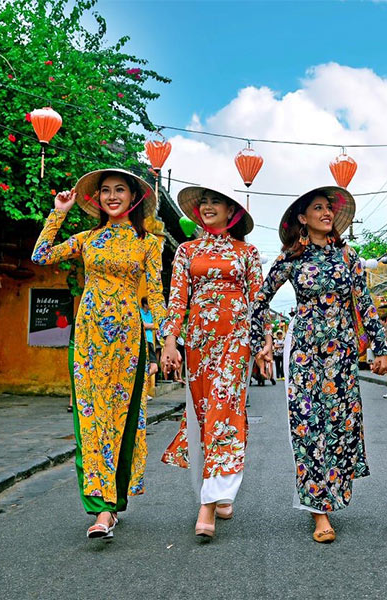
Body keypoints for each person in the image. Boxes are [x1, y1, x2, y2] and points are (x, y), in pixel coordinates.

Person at [250, 185, 387, 543]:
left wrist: (381, 347)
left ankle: (332, 493)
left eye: (329, 208)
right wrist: (260, 342)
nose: (326, 213)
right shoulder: (291, 259)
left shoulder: (349, 257)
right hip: (304, 354)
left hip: (342, 357)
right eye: (318, 208)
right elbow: (259, 300)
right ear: (302, 217)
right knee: (309, 428)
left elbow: (366, 304)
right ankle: (319, 512)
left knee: (340, 428)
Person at [32, 169, 165, 540]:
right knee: (91, 420)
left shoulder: (148, 243)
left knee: (120, 419)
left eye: (119, 190)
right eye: (105, 191)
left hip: (127, 339)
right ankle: (101, 510)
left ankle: (113, 501)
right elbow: (41, 255)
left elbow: (154, 295)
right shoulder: (88, 238)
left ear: (133, 198)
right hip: (88, 338)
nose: (111, 196)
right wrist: (58, 212)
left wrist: (165, 341)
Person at [159, 185, 264, 539]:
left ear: (231, 211)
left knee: (224, 409)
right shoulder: (187, 251)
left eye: (214, 201)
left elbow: (258, 301)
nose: (206, 207)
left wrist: (263, 343)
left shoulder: (247, 253)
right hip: (199, 343)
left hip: (236, 339)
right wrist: (170, 341)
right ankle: (221, 490)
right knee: (205, 416)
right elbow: (177, 301)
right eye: (203, 202)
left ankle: (208, 505)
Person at [139, 297, 159, 399]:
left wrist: (150, 325)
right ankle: (141, 389)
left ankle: (141, 382)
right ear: (145, 304)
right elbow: (142, 325)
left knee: (153, 368)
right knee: (150, 366)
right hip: (144, 341)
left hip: (150, 341)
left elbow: (157, 324)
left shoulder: (150, 313)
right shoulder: (140, 312)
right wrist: (152, 325)